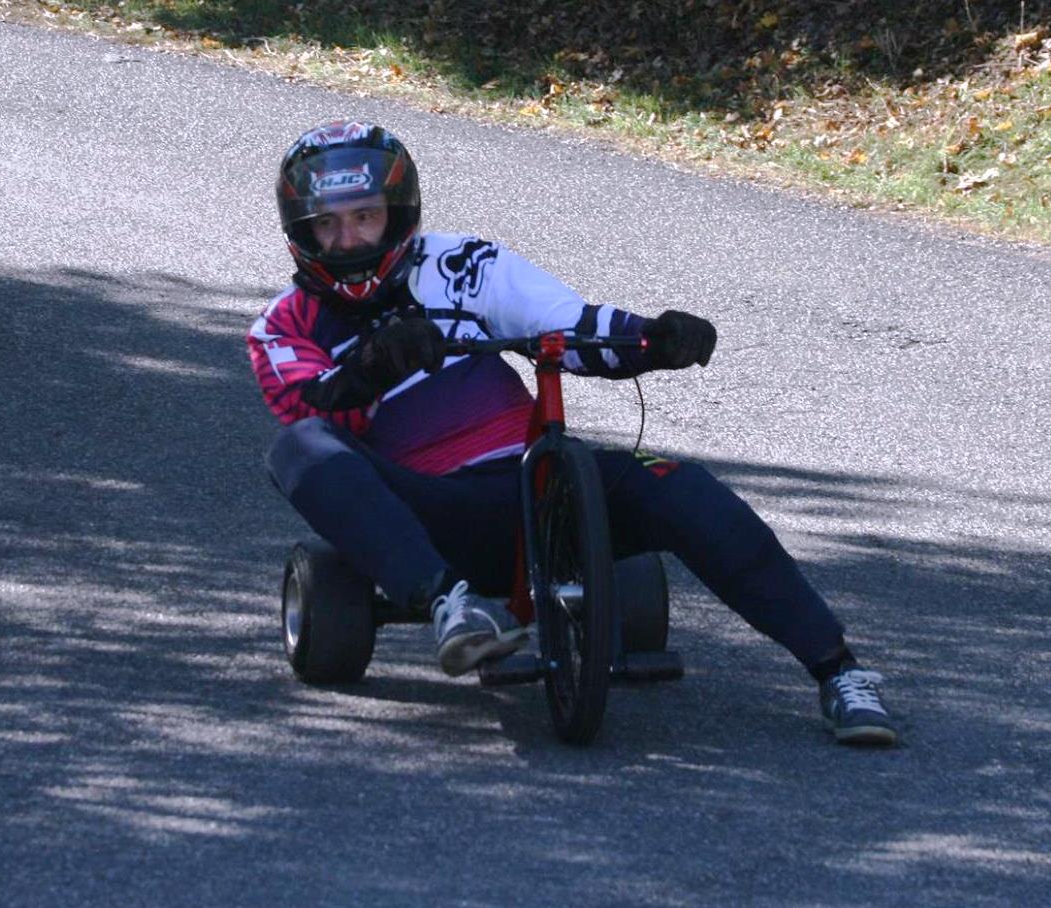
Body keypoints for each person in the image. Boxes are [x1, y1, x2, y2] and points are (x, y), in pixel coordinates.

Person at [247, 121, 897, 746]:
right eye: (327, 225)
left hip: (543, 484)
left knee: (681, 486)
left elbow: (568, 325)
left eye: (364, 217)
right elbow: (314, 408)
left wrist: (652, 339)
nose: (349, 239)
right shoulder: (284, 325)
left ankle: (839, 672)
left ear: (398, 210)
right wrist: (371, 365)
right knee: (297, 446)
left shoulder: (462, 264)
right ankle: (449, 605)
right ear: (299, 235)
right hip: (431, 513)